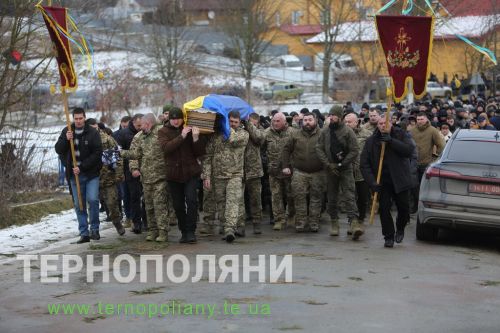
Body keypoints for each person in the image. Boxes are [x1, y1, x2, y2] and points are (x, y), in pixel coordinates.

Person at [361, 117, 415, 248]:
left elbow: (409, 151)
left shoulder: (401, 135)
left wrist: (392, 142)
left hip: (400, 179)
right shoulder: (371, 141)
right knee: (384, 209)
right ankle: (388, 236)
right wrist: (372, 182)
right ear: (377, 125)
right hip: (382, 181)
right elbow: (364, 164)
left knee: (404, 208)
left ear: (391, 123)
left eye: (385, 123)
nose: (382, 126)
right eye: (380, 124)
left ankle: (400, 228)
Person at [120, 113, 174, 243]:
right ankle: (152, 230)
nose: (140, 128)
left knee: (160, 205)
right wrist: (121, 153)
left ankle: (163, 231)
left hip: (161, 176)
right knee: (148, 205)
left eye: (142, 125)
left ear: (149, 124)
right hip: (146, 178)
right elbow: (135, 154)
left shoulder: (162, 132)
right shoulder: (139, 137)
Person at [55, 108, 103, 244]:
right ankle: (84, 233)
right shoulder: (67, 131)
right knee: (79, 204)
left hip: (90, 173)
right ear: (73, 119)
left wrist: (81, 167)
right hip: (74, 176)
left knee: (93, 200)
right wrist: (66, 139)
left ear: (85, 118)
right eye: (75, 119)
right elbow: (58, 149)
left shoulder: (92, 133)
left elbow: (97, 152)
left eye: (80, 118)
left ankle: (95, 229)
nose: (78, 121)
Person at [158, 107, 205, 244]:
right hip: (173, 174)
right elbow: (166, 148)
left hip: (190, 172)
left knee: (192, 201)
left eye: (178, 118)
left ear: (182, 118)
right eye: (173, 119)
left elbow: (199, 152)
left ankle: (191, 231)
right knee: (178, 205)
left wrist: (196, 138)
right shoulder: (163, 131)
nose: (176, 121)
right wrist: (182, 136)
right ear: (169, 119)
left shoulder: (189, 129)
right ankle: (183, 231)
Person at [202, 111, 249, 243]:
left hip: (235, 174)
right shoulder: (216, 136)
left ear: (240, 122)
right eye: (230, 122)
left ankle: (230, 229)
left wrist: (228, 129)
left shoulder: (243, 134)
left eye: (235, 122)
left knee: (232, 201)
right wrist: (207, 176)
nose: (233, 124)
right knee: (221, 203)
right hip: (218, 175)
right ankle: (225, 225)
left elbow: (232, 140)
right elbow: (208, 157)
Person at [316, 106, 361, 238]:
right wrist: (328, 164)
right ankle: (334, 223)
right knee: (332, 197)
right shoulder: (325, 131)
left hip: (345, 169)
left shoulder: (348, 132)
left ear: (340, 117)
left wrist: (342, 164)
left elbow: (354, 150)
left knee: (349, 196)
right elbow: (319, 148)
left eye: (334, 115)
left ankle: (353, 223)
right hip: (330, 170)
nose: (331, 117)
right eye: (330, 115)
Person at [246, 112, 295, 231]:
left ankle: (291, 215)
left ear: (284, 122)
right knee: (276, 196)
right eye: (273, 121)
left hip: (290, 171)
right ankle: (279, 220)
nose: (275, 123)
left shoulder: (293, 133)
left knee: (290, 195)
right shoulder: (267, 133)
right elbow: (259, 146)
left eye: (278, 121)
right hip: (273, 171)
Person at [282, 112, 324, 232]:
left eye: (310, 120)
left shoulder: (322, 134)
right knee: (299, 197)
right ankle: (300, 222)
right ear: (302, 121)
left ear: (315, 120)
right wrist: (285, 166)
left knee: (316, 198)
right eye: (305, 120)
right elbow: (286, 149)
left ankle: (314, 223)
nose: (307, 122)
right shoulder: (295, 134)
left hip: (318, 172)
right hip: (299, 172)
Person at [87, 119, 125, 236]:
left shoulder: (107, 139)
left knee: (112, 203)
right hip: (92, 178)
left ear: (98, 127)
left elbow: (117, 155)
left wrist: (119, 173)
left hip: (108, 177)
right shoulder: (85, 140)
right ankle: (94, 229)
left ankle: (117, 222)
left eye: (95, 128)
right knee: (92, 205)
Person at [115, 114, 146, 233]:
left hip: (146, 168)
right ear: (133, 123)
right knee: (134, 196)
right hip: (130, 170)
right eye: (138, 125)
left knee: (146, 197)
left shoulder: (145, 132)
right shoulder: (123, 134)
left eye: (141, 125)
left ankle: (146, 221)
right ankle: (136, 222)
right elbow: (118, 152)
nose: (140, 127)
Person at [344, 112, 371, 235]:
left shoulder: (367, 134)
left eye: (349, 122)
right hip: (347, 171)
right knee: (350, 198)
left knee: (363, 198)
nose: (347, 124)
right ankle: (352, 222)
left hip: (362, 172)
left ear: (356, 122)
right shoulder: (341, 134)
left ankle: (360, 219)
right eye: (345, 122)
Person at [239, 112, 265, 235]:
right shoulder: (239, 130)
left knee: (255, 199)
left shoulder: (259, 130)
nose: (251, 125)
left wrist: (249, 125)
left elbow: (259, 138)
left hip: (254, 171)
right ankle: (240, 225)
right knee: (239, 200)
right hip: (239, 170)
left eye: (253, 123)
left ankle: (257, 223)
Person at [410, 112, 445, 184]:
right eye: (418, 119)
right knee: (414, 185)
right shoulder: (412, 131)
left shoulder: (432, 130)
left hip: (426, 163)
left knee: (425, 184)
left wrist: (435, 157)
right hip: (413, 163)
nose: (419, 121)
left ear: (426, 119)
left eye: (421, 119)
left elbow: (441, 145)